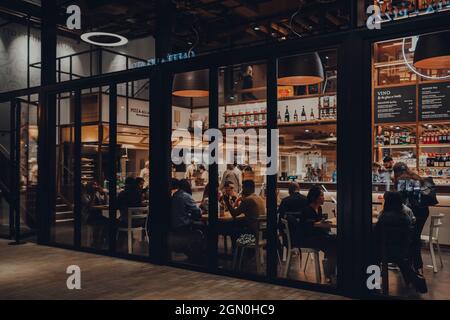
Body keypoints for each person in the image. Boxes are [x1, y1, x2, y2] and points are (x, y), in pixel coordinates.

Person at [374, 191, 427, 293]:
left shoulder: (383, 217)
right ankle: (413, 280)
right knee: (401, 261)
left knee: (371, 255)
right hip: (402, 250)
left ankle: (373, 284)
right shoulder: (405, 216)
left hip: (386, 252)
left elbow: (377, 234)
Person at [393, 162, 431, 274]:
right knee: (415, 238)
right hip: (423, 211)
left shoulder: (401, 180)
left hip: (412, 213)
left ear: (396, 172)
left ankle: (409, 266)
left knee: (408, 238)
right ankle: (416, 266)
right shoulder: (416, 177)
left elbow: (401, 201)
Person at [296, 186, 337, 283]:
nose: (323, 197)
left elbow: (317, 224)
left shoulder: (319, 209)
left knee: (335, 240)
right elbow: (308, 226)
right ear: (315, 198)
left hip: (317, 236)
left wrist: (323, 224)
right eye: (321, 195)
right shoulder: (306, 210)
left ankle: (330, 274)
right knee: (332, 242)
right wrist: (320, 224)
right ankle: (330, 274)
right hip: (306, 239)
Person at [170, 178, 204, 263]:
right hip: (184, 226)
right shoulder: (185, 196)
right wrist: (201, 209)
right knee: (204, 227)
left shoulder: (174, 196)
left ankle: (195, 253)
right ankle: (200, 253)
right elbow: (197, 212)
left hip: (174, 226)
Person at [81, 181, 109, 247]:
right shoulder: (84, 195)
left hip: (97, 215)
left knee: (109, 222)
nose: (95, 187)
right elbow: (90, 207)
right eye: (93, 185)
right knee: (100, 222)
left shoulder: (97, 194)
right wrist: (93, 194)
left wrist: (104, 193)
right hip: (89, 216)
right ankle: (96, 241)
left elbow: (105, 203)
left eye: (96, 185)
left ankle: (102, 240)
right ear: (88, 187)